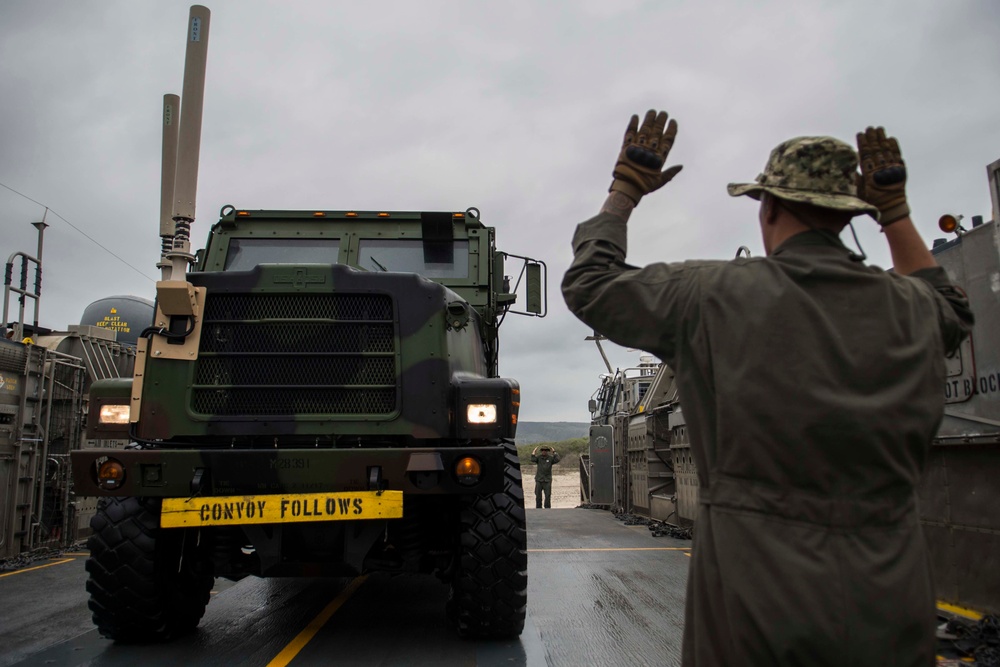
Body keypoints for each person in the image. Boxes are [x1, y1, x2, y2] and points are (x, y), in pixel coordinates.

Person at [562, 110, 973, 666]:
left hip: (754, 594)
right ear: (849, 214)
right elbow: (952, 306)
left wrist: (626, 190)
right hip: (888, 590)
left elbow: (590, 285)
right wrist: (896, 213)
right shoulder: (916, 310)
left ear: (769, 206)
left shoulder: (708, 296)